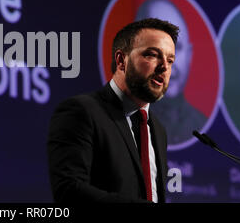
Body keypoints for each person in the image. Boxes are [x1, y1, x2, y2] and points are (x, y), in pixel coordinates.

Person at [47, 18, 178, 203]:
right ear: (121, 60)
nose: (164, 66)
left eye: (170, 60)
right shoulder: (82, 112)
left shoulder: (158, 130)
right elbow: (69, 191)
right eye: (152, 54)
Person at [135, 0, 206, 145]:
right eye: (156, 50)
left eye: (177, 48)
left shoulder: (202, 127)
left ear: (190, 55)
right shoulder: (119, 121)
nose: (166, 64)